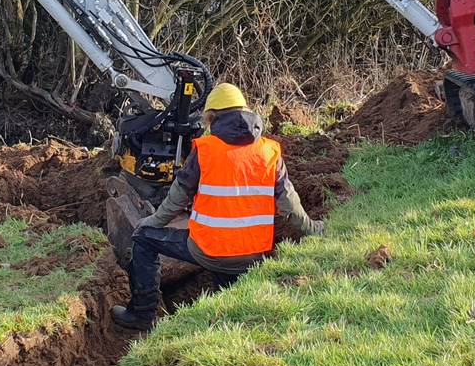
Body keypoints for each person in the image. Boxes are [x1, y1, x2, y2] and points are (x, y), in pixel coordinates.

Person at [110, 83, 324, 330]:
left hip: (209, 251)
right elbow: (290, 205)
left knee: (143, 238)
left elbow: (176, 200)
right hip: (254, 256)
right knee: (226, 272)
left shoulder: (206, 151)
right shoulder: (269, 152)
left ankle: (142, 315)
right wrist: (314, 228)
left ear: (211, 118)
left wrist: (151, 222)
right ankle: (228, 310)